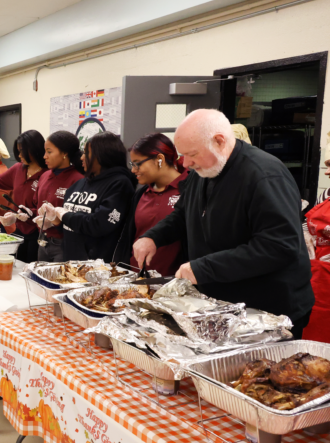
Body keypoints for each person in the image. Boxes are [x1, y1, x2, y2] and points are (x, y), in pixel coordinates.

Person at [133, 109, 314, 338]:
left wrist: (203, 267)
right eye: (183, 155)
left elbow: (279, 246)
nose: (186, 164)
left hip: (269, 311)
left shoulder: (264, 175)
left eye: (192, 154)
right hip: (223, 302)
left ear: (219, 141)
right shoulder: (204, 170)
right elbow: (182, 214)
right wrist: (153, 237)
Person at [42, 132, 134, 261]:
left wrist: (64, 215)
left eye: (86, 153)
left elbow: (99, 223)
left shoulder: (120, 184)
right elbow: (70, 225)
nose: (81, 158)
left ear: (101, 155)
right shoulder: (79, 184)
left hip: (98, 267)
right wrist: (55, 220)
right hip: (71, 262)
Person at [113, 134, 189, 275]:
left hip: (175, 282)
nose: (133, 170)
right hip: (136, 279)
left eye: (137, 163)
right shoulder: (141, 194)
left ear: (159, 159)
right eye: (132, 164)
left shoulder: (189, 189)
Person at [0, 130, 48, 263]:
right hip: (19, 229)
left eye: (23, 151)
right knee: (17, 266)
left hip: (38, 233)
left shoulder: (47, 173)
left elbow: (47, 206)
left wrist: (30, 213)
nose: (19, 155)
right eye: (18, 151)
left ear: (34, 149)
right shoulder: (18, 169)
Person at [27, 131, 85, 262]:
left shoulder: (78, 180)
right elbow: (38, 208)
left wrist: (55, 221)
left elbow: (79, 219)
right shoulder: (44, 176)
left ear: (64, 153)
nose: (44, 156)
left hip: (63, 244)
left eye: (49, 152)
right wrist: (28, 213)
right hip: (42, 240)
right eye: (44, 152)